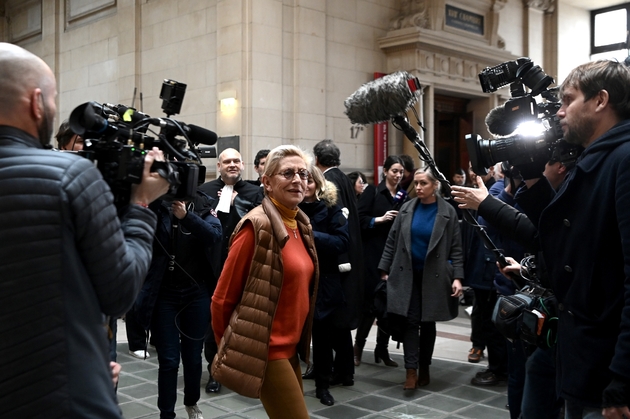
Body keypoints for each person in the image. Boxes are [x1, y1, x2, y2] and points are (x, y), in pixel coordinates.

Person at [0, 42, 170, 417]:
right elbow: (119, 291)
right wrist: (141, 204)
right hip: (62, 400)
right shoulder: (70, 176)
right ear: (37, 102)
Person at [476, 60, 630, 418]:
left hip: (606, 371)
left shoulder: (621, 162)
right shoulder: (597, 160)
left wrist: (622, 379)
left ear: (600, 100)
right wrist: (531, 175)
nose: (559, 112)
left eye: (569, 100)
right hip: (583, 360)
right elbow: (566, 239)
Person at [211, 145, 318, 419]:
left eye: (303, 174)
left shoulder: (301, 223)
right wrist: (233, 349)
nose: (297, 180)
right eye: (288, 173)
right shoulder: (256, 227)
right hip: (268, 350)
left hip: (290, 347)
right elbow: (222, 299)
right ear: (267, 182)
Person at [133, 191, 222, 419]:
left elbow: (214, 237)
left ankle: (191, 403)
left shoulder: (203, 203)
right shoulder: (155, 205)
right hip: (164, 295)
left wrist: (186, 217)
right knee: (169, 359)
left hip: (196, 293)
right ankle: (166, 413)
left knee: (193, 357)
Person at [378, 168, 463, 390]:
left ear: (435, 185)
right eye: (415, 183)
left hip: (433, 277)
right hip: (407, 274)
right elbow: (392, 240)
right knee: (410, 320)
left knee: (427, 322)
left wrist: (457, 277)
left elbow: (456, 248)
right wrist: (384, 269)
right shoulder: (407, 208)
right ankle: (411, 371)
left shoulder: (447, 212)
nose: (418, 188)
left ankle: (424, 366)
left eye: (423, 183)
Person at [198, 147, 262, 393]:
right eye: (227, 161)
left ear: (243, 164)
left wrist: (239, 204)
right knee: (212, 323)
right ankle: (214, 371)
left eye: (237, 160)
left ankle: (239, 369)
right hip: (211, 268)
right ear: (219, 166)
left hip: (244, 268)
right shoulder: (204, 191)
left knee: (243, 323)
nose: (233, 164)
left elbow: (260, 224)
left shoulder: (256, 193)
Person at [313, 139, 364, 385]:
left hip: (338, 261)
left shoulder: (329, 182)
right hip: (350, 256)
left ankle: (341, 372)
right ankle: (345, 372)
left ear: (317, 160)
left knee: (334, 320)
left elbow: (336, 223)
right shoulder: (344, 178)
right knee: (340, 322)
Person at [298, 166, 349, 406]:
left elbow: (342, 242)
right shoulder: (289, 209)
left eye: (309, 180)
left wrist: (311, 235)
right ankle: (292, 383)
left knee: (322, 339)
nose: (303, 184)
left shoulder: (331, 209)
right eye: (301, 180)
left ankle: (323, 386)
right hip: (295, 282)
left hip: (324, 283)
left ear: (318, 184)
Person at [354, 155, 405, 368]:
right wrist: (379, 219)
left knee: (387, 306)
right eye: (394, 170)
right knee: (370, 305)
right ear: (385, 171)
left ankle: (381, 349)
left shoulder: (403, 196)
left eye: (401, 172)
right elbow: (358, 218)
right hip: (372, 254)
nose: (398, 175)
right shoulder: (373, 192)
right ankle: (357, 348)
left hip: (394, 256)